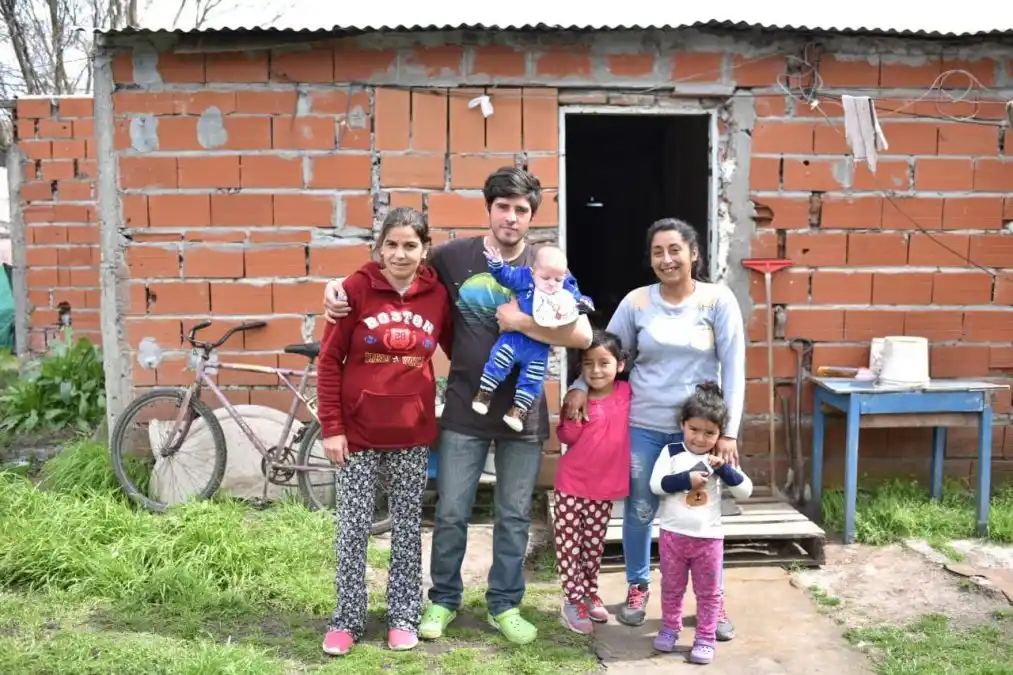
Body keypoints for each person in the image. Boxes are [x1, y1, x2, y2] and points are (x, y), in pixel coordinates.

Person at [323, 167, 593, 646]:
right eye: (503, 207)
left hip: (524, 411)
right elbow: (391, 270)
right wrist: (336, 289)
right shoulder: (452, 257)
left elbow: (582, 333)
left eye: (521, 210)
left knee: (512, 514)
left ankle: (504, 605)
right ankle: (443, 600)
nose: (511, 217)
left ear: (533, 216)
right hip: (467, 407)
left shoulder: (546, 262)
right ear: (489, 209)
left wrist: (522, 322)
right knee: (451, 510)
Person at [561, 218, 746, 637]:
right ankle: (638, 587)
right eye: (658, 252)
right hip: (644, 424)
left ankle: (712, 603)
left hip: (698, 434)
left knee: (702, 516)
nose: (666, 259)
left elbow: (734, 367)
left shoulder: (718, 301)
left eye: (675, 250)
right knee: (642, 510)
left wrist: (729, 431)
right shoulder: (637, 303)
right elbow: (604, 351)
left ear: (693, 254)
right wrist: (577, 385)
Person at [316, 207, 454, 656]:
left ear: (424, 250)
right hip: (356, 436)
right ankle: (347, 620)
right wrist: (332, 428)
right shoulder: (354, 290)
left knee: (408, 529)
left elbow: (459, 347)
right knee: (353, 528)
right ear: (379, 248)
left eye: (410, 245)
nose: (400, 253)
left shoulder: (437, 297)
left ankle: (402, 616)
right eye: (391, 244)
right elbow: (328, 362)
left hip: (412, 435)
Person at [649, 381, 753, 665]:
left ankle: (705, 638)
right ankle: (670, 628)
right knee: (672, 587)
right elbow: (656, 484)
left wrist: (725, 471)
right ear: (683, 424)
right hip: (673, 536)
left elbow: (746, 490)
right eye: (694, 429)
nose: (700, 438)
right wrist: (686, 480)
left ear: (720, 434)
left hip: (708, 540)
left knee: (709, 593)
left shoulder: (719, 458)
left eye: (710, 433)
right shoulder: (671, 452)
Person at [552, 329, 630, 634]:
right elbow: (565, 437)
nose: (596, 370)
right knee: (569, 545)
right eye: (588, 364)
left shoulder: (626, 393)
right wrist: (571, 413)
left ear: (620, 365)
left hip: (604, 488)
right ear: (580, 368)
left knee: (593, 547)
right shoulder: (577, 398)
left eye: (604, 363)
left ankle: (588, 591)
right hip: (571, 485)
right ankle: (572, 600)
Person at [474, 243, 594, 432]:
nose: (551, 283)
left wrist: (584, 304)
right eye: (545, 277)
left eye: (558, 279)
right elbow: (505, 275)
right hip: (515, 339)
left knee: (534, 377)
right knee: (500, 359)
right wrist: (497, 264)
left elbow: (578, 300)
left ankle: (518, 410)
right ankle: (484, 393)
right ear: (533, 271)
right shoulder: (524, 278)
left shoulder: (564, 290)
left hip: (539, 346)